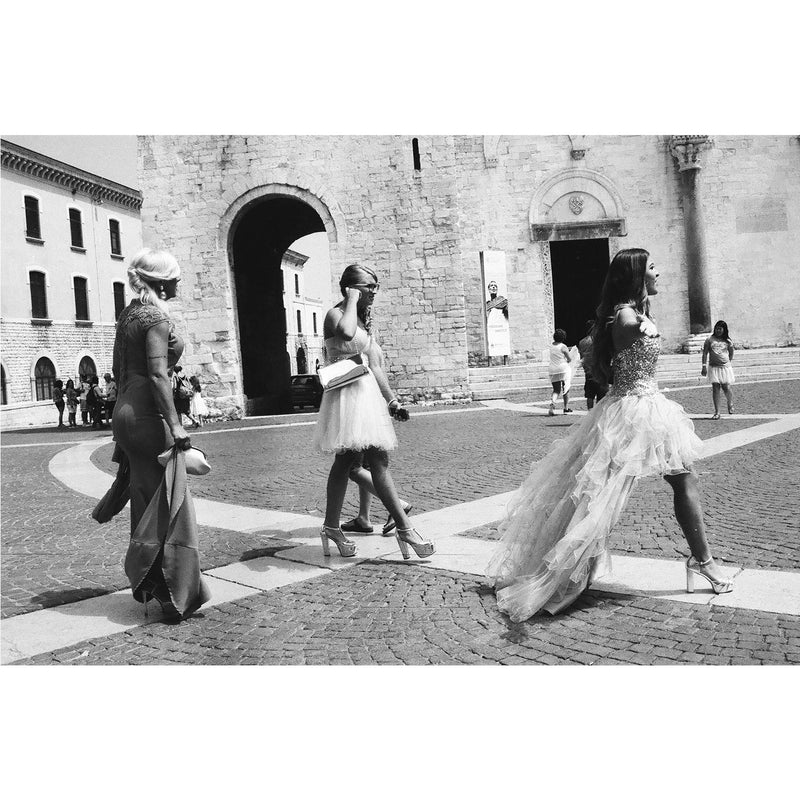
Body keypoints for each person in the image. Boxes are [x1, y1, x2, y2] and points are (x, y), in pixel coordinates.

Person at [486, 248, 733, 622]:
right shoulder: (626, 314)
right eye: (652, 268)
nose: (658, 273)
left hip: (649, 408)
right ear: (636, 276)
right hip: (631, 413)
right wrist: (641, 324)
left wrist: (646, 321)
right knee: (597, 497)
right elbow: (629, 326)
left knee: (683, 481)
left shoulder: (637, 311)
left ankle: (703, 561)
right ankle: (564, 569)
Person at [109, 248, 210, 620]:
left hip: (126, 411)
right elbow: (157, 374)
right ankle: (173, 593)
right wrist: (176, 424)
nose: (180, 281)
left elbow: (119, 367)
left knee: (147, 499)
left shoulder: (129, 314)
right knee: (171, 504)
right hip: (148, 416)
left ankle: (152, 583)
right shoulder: (153, 317)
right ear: (163, 281)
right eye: (176, 277)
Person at [313, 263, 434, 560]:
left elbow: (374, 365)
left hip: (365, 398)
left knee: (363, 461)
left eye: (375, 287)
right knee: (357, 461)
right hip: (346, 397)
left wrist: (393, 402)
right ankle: (404, 529)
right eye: (369, 287)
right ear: (351, 288)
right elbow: (344, 332)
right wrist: (352, 299)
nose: (374, 292)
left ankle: (333, 526)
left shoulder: (364, 321)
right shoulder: (336, 314)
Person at [702, 320, 735, 419]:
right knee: (715, 388)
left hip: (725, 367)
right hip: (713, 367)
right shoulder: (709, 339)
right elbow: (705, 353)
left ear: (724, 330)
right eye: (716, 328)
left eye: (720, 329)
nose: (718, 331)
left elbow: (731, 352)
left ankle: (730, 403)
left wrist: (728, 361)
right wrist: (704, 366)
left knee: (726, 387)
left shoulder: (728, 341)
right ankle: (717, 412)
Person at [577, 319, 607, 410]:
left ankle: (590, 412)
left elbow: (581, 356)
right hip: (599, 370)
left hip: (588, 371)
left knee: (590, 395)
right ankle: (597, 414)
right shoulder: (598, 341)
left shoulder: (582, 342)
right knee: (601, 395)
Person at [547, 328, 573, 415]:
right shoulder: (563, 347)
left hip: (552, 369)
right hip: (563, 368)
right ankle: (565, 408)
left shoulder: (551, 346)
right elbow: (569, 359)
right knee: (566, 388)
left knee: (556, 390)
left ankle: (552, 403)